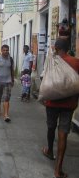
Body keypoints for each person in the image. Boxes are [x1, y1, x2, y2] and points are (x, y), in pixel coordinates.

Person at [42, 38, 79, 178]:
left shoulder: (52, 61)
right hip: (69, 105)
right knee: (63, 134)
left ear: (56, 48)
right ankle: (58, 170)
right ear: (68, 48)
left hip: (52, 103)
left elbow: (45, 79)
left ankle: (50, 151)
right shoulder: (76, 62)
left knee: (51, 127)